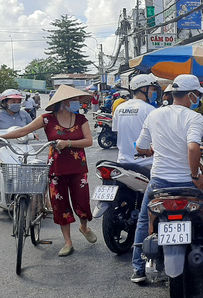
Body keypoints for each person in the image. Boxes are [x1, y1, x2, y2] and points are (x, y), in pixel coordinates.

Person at [130, 74, 203, 283]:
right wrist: (195, 176)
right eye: (197, 95)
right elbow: (193, 147)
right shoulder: (194, 118)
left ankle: (138, 268)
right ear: (191, 95)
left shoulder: (154, 115)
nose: (197, 99)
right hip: (187, 184)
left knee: (144, 220)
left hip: (159, 183)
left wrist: (153, 149)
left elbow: (140, 147)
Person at [2, 85, 96, 256]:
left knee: (82, 202)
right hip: (56, 168)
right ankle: (68, 242)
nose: (76, 103)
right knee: (60, 205)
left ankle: (83, 227)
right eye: (73, 100)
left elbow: (88, 141)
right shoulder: (47, 119)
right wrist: (1, 137)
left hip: (78, 168)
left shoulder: (81, 119)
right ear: (64, 102)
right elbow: (23, 131)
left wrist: (67, 143)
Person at [112, 74, 159, 166]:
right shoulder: (149, 109)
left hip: (123, 161)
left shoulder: (119, 108)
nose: (154, 93)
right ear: (144, 89)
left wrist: (133, 145)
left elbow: (118, 133)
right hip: (146, 163)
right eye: (153, 90)